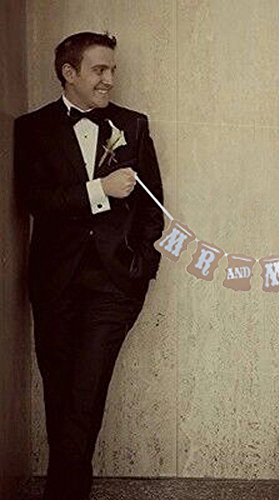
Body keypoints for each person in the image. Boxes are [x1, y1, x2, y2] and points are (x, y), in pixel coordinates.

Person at [14, 32, 164, 500]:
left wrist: (141, 265)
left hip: (114, 284)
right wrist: (99, 189)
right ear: (69, 72)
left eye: (112, 70)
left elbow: (152, 207)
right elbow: (35, 200)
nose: (109, 80)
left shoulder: (132, 125)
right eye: (100, 70)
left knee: (86, 390)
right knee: (60, 391)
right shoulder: (32, 128)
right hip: (54, 282)